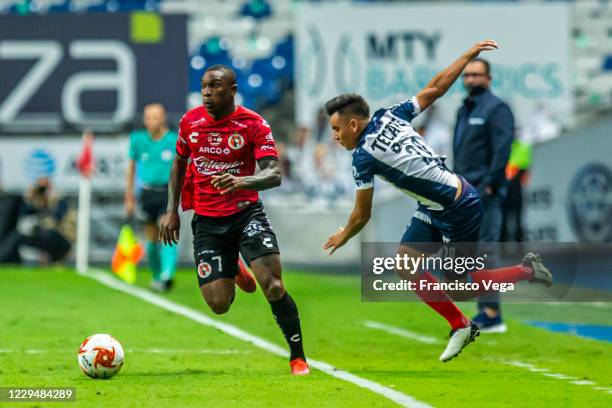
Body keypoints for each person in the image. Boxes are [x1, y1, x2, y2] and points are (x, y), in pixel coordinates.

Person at [322, 40, 552, 362]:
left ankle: (527, 270)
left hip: (459, 207)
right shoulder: (391, 115)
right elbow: (435, 88)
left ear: (353, 124)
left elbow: (362, 214)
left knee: (459, 286)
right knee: (405, 263)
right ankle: (460, 323)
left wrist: (344, 235)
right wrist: (468, 54)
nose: (335, 137)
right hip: (435, 205)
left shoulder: (363, 157)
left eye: (336, 129)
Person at [159, 65, 309, 375]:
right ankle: (235, 267)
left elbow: (274, 173)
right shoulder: (190, 122)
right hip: (208, 221)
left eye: (214, 86)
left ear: (232, 89)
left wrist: (241, 182)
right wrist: (172, 210)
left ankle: (298, 357)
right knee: (218, 305)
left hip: (246, 215)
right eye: (203, 87)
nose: (207, 93)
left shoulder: (253, 124)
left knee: (274, 286)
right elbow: (179, 163)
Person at [452, 58, 514, 332]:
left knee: (486, 251)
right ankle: (485, 310)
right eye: (466, 76)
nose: (470, 80)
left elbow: (502, 148)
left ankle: (491, 312)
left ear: (488, 78)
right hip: (464, 191)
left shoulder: (497, 108)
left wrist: (490, 183)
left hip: (484, 192)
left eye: (476, 75)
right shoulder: (464, 109)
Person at [125, 103, 181, 292]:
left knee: (166, 230)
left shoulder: (174, 140)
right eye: (148, 117)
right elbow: (131, 169)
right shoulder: (137, 139)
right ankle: (157, 275)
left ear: (163, 118)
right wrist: (129, 196)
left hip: (168, 192)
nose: (150, 121)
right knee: (151, 237)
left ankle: (167, 274)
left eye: (155, 117)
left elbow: (183, 169)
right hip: (147, 192)